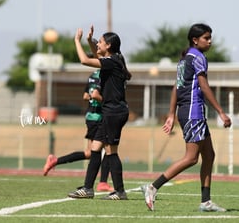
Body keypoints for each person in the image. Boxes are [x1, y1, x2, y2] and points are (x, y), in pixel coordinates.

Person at [141, 23, 231, 212]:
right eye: (206, 38)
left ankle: (206, 202)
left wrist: (171, 114)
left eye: (210, 37)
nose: (210, 41)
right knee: (191, 158)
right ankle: (152, 187)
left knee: (209, 156)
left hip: (189, 112)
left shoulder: (184, 59)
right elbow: (204, 87)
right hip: (193, 113)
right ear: (195, 40)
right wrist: (221, 112)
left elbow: (176, 87)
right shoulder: (198, 57)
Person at [68, 25, 131, 200]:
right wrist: (89, 40)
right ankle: (88, 188)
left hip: (115, 112)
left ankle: (119, 191)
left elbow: (85, 61)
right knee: (95, 148)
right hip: (109, 111)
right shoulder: (112, 60)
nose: (98, 44)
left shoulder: (112, 61)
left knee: (111, 151)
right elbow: (97, 55)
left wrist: (77, 41)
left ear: (109, 46)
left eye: (101, 42)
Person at [43, 69, 113, 192]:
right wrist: (110, 103)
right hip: (98, 117)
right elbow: (95, 95)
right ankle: (102, 183)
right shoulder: (104, 75)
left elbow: (86, 96)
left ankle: (55, 161)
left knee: (93, 152)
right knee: (107, 148)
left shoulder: (92, 76)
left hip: (91, 116)